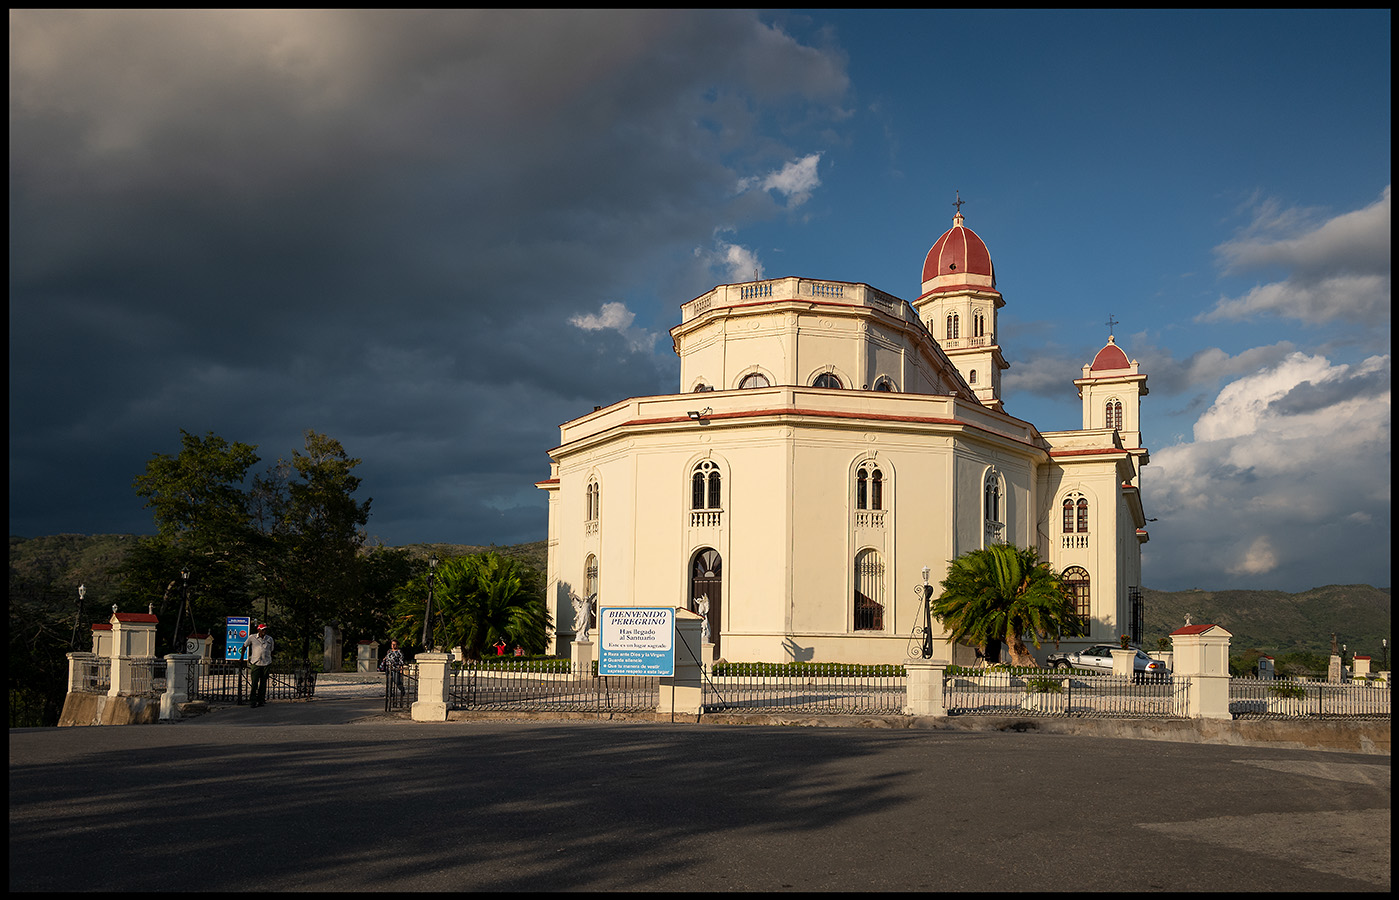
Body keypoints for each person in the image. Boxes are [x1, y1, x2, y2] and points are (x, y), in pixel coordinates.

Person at [241, 623, 274, 707]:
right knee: (255, 682)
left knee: (263, 683)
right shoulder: (252, 637)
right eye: (263, 630)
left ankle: (261, 699)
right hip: (256, 662)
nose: (264, 631)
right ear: (258, 630)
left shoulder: (269, 639)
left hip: (266, 662)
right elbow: (244, 646)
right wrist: (242, 657)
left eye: (265, 630)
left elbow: (271, 649)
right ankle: (253, 700)